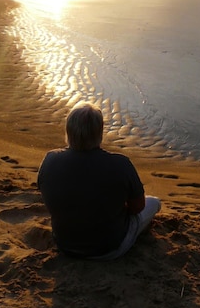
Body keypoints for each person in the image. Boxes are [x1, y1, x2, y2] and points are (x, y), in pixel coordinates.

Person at [38, 102, 161, 259]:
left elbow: (47, 194)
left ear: (68, 131)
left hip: (65, 244)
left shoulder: (50, 160)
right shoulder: (121, 164)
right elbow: (138, 207)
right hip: (110, 249)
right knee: (154, 202)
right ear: (99, 133)